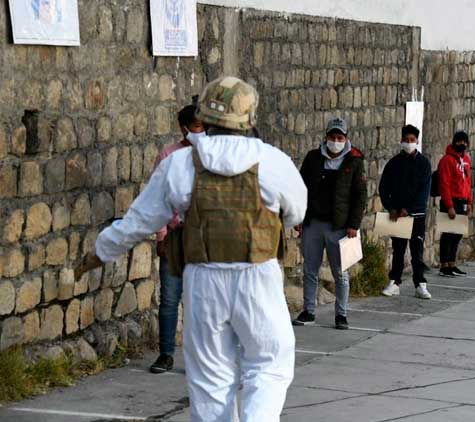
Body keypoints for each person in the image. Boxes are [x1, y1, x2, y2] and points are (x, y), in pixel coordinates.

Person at [74, 76, 308, 421]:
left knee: (210, 379)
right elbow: (296, 212)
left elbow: (138, 221)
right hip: (258, 275)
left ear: (205, 116)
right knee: (269, 364)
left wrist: (99, 252)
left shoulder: (180, 164)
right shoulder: (273, 161)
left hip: (203, 280)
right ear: (249, 117)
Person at [293, 117, 368, 330]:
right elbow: (300, 187)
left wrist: (354, 224)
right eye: (332, 137)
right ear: (326, 137)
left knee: (340, 273)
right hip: (313, 223)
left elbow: (360, 195)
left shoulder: (354, 161)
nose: (336, 141)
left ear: (346, 139)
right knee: (310, 269)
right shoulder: (313, 158)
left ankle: (341, 314)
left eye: (340, 137)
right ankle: (309, 310)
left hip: (340, 226)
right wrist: (299, 217)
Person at [148, 103, 204, 374]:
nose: (202, 131)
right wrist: (160, 236)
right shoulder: (168, 156)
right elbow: (157, 198)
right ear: (183, 129)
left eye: (205, 126)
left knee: (202, 301)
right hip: (174, 236)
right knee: (170, 298)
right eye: (196, 127)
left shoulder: (215, 154)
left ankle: (201, 358)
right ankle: (166, 353)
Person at [379, 125, 433, 299]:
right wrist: (392, 208)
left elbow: (423, 191)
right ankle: (394, 282)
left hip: (415, 215)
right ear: (401, 141)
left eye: (412, 140)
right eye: (406, 140)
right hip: (397, 216)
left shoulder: (424, 163)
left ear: (417, 141)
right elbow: (384, 187)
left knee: (417, 251)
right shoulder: (394, 163)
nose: (409, 143)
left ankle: (420, 284)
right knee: (398, 250)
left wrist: (408, 209)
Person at [437, 131, 473, 277]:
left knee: (457, 234)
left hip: (463, 200)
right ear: (454, 142)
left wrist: (469, 202)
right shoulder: (447, 160)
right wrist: (449, 205)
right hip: (451, 201)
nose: (462, 145)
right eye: (459, 142)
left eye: (464, 142)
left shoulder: (466, 160)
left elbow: (468, 182)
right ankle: (444, 265)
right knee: (448, 234)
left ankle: (452, 263)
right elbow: (444, 184)